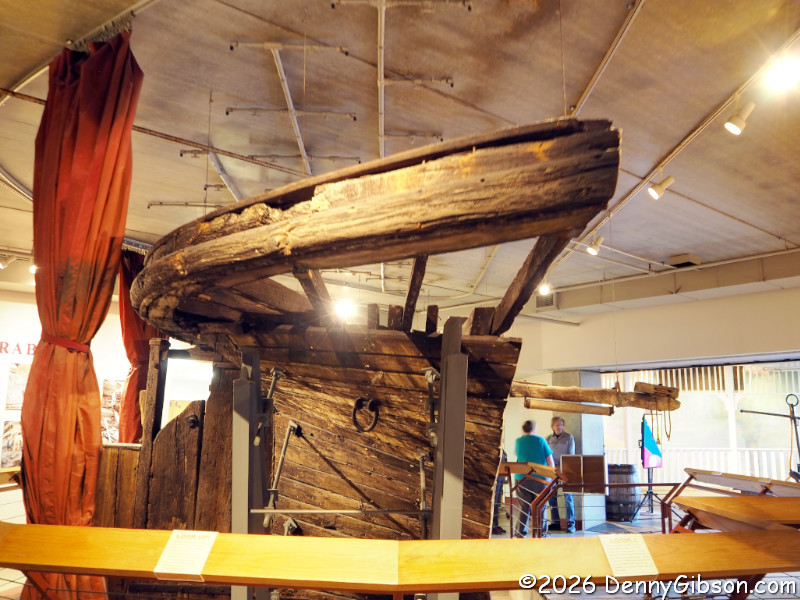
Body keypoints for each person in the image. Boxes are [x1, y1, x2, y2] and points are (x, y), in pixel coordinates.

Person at [514, 420, 554, 538]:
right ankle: (541, 533)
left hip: (522, 478)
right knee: (540, 507)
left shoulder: (518, 441)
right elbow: (550, 460)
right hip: (540, 479)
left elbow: (519, 457)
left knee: (524, 507)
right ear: (534, 429)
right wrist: (552, 477)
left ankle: (520, 533)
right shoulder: (540, 440)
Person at [546, 416, 576, 533]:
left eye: (561, 425)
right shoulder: (548, 439)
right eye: (557, 425)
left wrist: (561, 466)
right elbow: (545, 454)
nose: (559, 427)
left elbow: (571, 455)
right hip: (552, 471)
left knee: (568, 497)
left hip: (566, 471)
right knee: (551, 497)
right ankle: (555, 522)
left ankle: (570, 524)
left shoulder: (569, 438)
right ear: (552, 427)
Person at [492, 449, 508, 535]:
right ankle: (492, 526)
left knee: (497, 503)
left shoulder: (502, 451)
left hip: (501, 478)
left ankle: (496, 524)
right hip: (495, 479)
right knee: (494, 502)